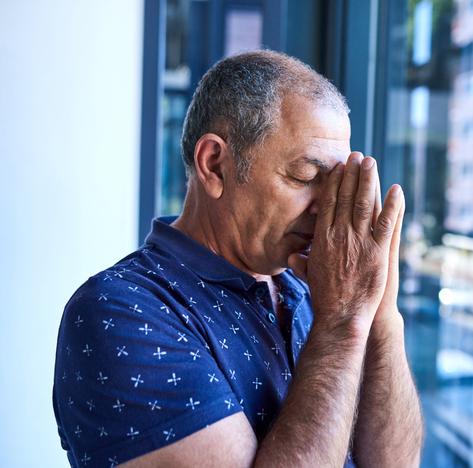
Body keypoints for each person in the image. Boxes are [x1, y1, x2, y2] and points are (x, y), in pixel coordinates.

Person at [53, 50, 423, 468]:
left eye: (336, 184)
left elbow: (397, 463)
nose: (328, 208)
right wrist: (341, 323)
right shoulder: (122, 312)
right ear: (214, 165)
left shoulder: (314, 284)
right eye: (305, 177)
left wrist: (380, 313)